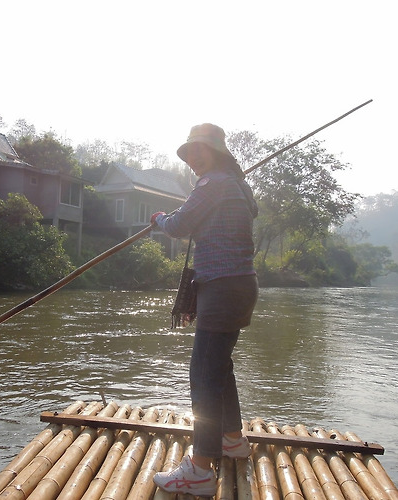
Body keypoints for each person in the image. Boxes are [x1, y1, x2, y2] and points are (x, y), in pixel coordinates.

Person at [151, 123, 259, 496]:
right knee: (218, 366)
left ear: (216, 152)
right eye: (189, 153)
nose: (193, 159)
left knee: (203, 375)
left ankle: (200, 468)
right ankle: (231, 439)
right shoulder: (237, 185)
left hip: (223, 287)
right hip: (239, 286)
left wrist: (157, 219)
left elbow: (179, 225)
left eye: (200, 150)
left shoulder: (214, 184)